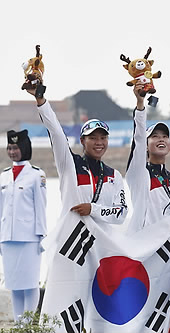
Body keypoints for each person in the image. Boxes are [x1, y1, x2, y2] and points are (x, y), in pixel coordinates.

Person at [25, 89, 127, 228]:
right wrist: (40, 99)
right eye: (92, 138)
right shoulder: (69, 164)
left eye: (103, 138)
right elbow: (56, 132)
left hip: (103, 246)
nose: (99, 142)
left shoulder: (114, 176)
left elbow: (121, 214)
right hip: (73, 244)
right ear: (82, 140)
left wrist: (93, 209)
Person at [0, 130, 47, 321]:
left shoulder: (37, 175)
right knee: (14, 284)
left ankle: (28, 324)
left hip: (29, 238)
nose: (12, 151)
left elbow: (41, 207)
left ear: (25, 148)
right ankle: (20, 324)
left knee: (29, 284)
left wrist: (42, 236)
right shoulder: (3, 176)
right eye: (10, 148)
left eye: (16, 148)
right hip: (7, 238)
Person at [126, 84, 170, 233]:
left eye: (165, 136)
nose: (161, 140)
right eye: (154, 136)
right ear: (146, 147)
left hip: (167, 248)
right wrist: (140, 104)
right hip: (143, 248)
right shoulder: (139, 173)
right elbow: (139, 137)